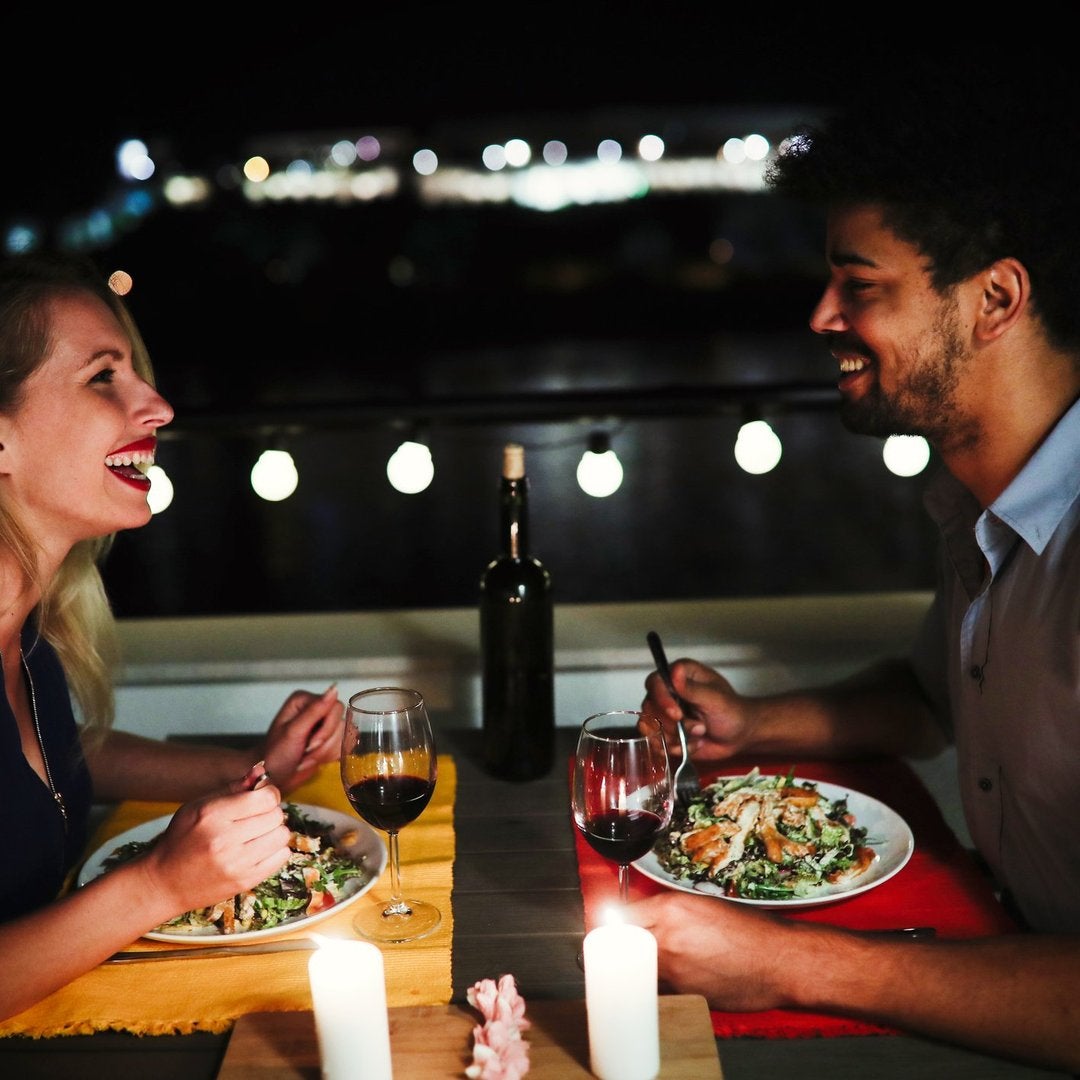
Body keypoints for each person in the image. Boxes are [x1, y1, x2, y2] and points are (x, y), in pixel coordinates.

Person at [629, 68, 1080, 1072]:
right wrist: (751, 724)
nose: (822, 316)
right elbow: (929, 698)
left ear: (996, 299)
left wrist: (789, 964)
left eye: (859, 284)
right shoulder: (980, 502)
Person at [0, 250, 345, 1021]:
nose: (157, 406)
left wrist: (250, 767)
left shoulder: (27, 631)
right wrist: (156, 886)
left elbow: (53, 761)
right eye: (103, 377)